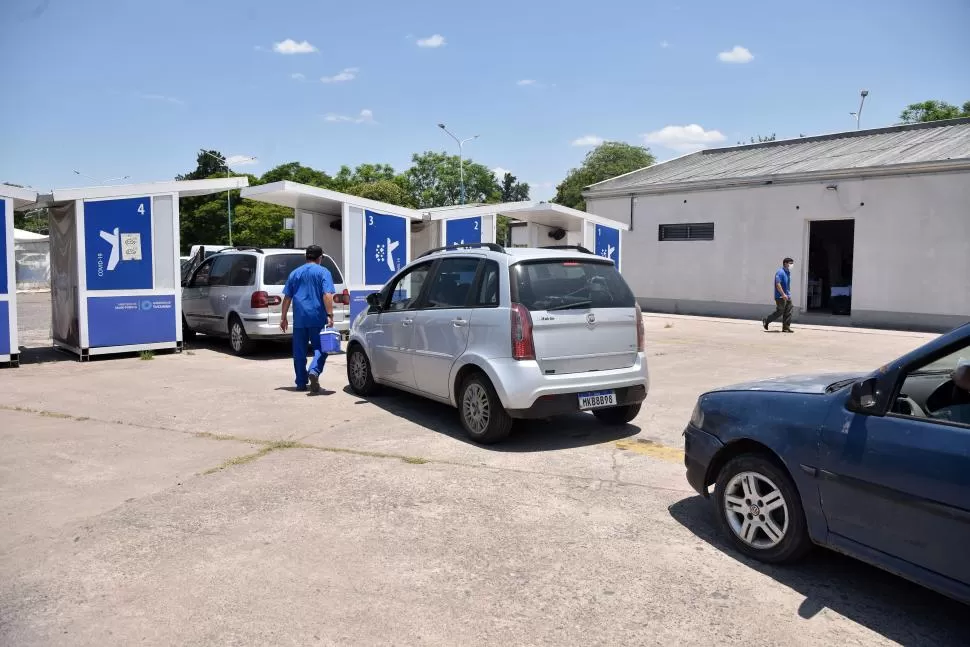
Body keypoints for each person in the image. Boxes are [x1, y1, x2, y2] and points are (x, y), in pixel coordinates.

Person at [280, 245, 335, 393]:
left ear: (306, 257)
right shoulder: (324, 272)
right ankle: (314, 370)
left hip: (300, 319)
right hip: (317, 317)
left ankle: (300, 383)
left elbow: (287, 297)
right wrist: (330, 315)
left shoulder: (295, 273)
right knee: (321, 348)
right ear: (320, 258)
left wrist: (283, 317)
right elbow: (327, 295)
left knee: (299, 352)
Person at [763, 257, 795, 333]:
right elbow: (778, 284)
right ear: (785, 263)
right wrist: (783, 294)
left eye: (792, 263)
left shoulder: (788, 272)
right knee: (780, 311)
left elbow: (787, 285)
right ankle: (766, 320)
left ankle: (786, 327)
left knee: (789, 311)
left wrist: (788, 294)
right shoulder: (780, 272)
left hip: (787, 296)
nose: (792, 265)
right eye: (790, 263)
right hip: (780, 296)